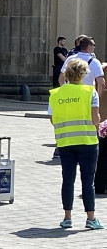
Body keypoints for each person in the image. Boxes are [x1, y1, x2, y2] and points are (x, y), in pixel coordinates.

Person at [48, 58, 102, 230]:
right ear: (84, 74)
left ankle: (67, 217)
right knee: (88, 181)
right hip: (87, 141)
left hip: (65, 142)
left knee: (68, 180)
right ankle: (91, 218)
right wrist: (99, 122)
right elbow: (95, 119)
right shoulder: (90, 91)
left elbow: (52, 119)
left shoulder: (56, 94)